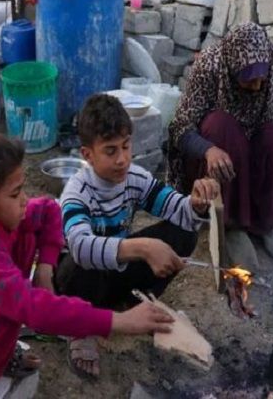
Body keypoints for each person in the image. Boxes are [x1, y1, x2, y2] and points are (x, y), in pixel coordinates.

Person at [0, 133, 174, 397]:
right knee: (7, 307)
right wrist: (121, 321)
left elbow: (49, 210)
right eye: (15, 193)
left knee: (26, 237)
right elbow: (32, 307)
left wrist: (45, 268)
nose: (24, 200)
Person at [55, 94, 219, 377]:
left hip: (117, 275)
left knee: (183, 233)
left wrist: (196, 203)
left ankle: (137, 301)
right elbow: (80, 247)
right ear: (87, 155)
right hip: (81, 284)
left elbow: (175, 208)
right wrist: (143, 247)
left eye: (126, 146)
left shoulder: (135, 178)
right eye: (110, 151)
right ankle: (82, 329)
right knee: (81, 260)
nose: (122, 159)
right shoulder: (77, 192)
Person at [168, 23, 273, 268]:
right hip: (222, 152)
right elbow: (181, 127)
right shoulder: (210, 66)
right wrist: (208, 150)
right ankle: (231, 224)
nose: (257, 87)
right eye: (249, 81)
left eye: (261, 80)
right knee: (220, 125)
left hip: (257, 154)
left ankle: (265, 222)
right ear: (232, 69)